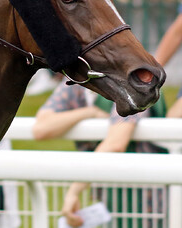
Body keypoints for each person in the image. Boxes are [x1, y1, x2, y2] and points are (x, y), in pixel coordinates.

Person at [33, 83, 168, 227]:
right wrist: (89, 112)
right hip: (108, 192)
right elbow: (41, 128)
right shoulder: (75, 83)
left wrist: (74, 191)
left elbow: (116, 143)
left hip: (149, 193)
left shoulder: (135, 84)